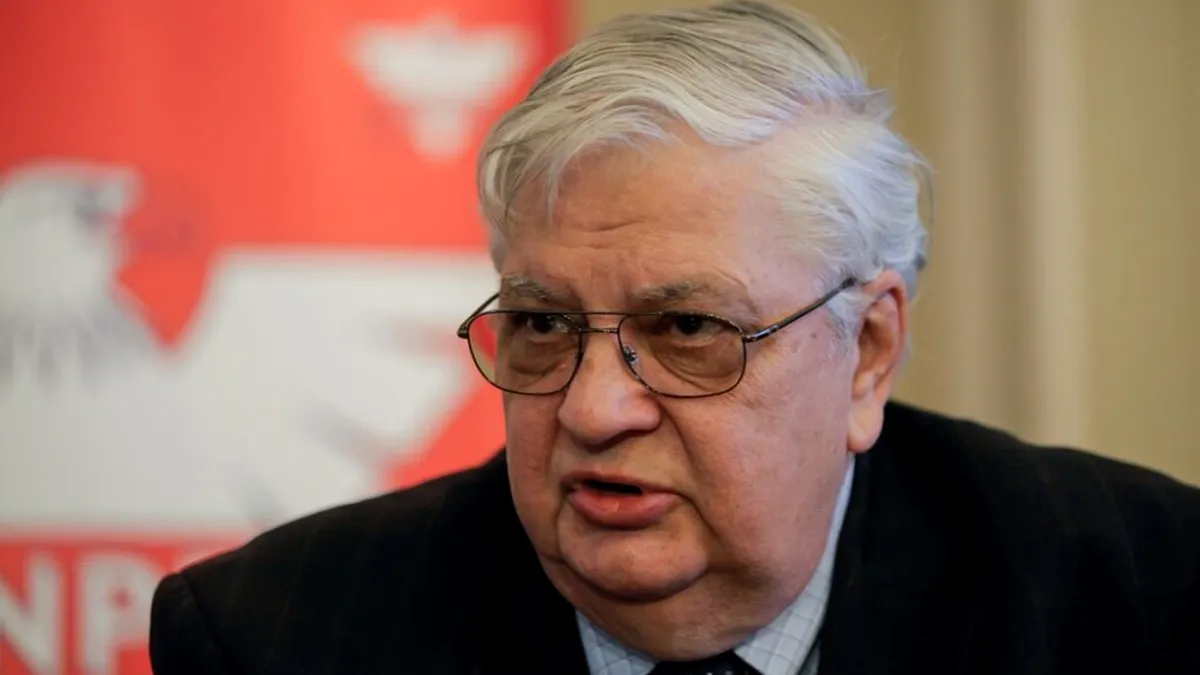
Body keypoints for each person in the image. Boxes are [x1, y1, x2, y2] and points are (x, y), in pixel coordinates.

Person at [147, 1, 1200, 673]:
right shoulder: (276, 636)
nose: (593, 409)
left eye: (689, 327)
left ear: (869, 351)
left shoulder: (1140, 592)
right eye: (543, 324)